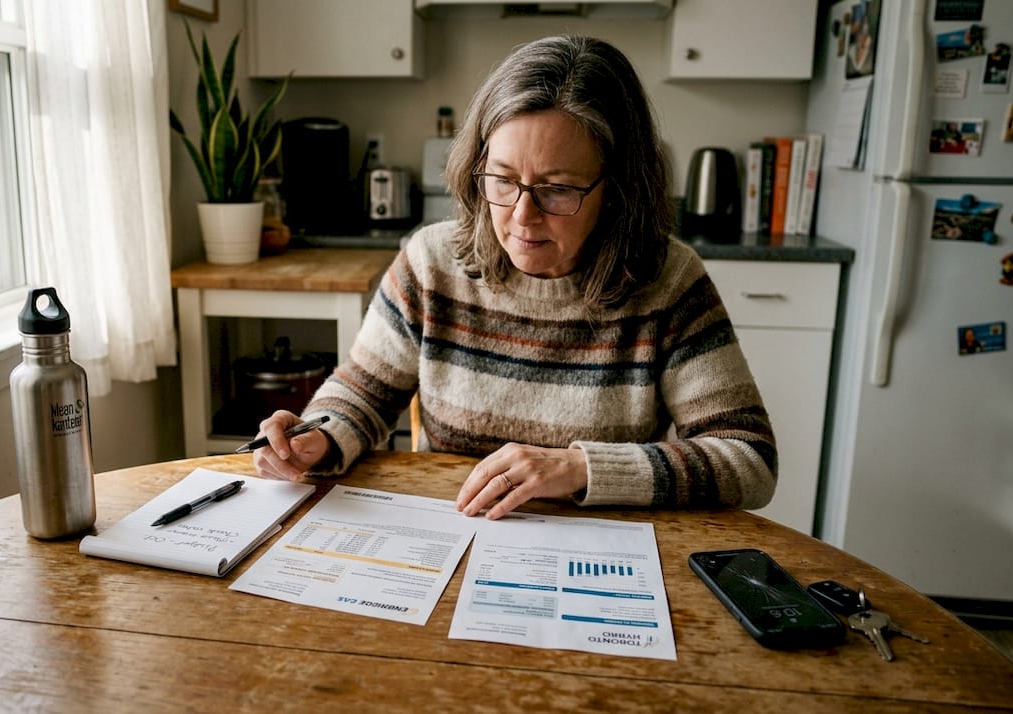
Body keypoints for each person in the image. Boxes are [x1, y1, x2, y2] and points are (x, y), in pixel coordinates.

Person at [251, 35, 776, 520]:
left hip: (600, 552)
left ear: (615, 190)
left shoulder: (668, 281)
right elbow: (361, 395)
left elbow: (749, 461)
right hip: (453, 535)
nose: (522, 217)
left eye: (557, 189)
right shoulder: (433, 262)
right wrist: (314, 437)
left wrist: (580, 467)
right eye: (502, 180)